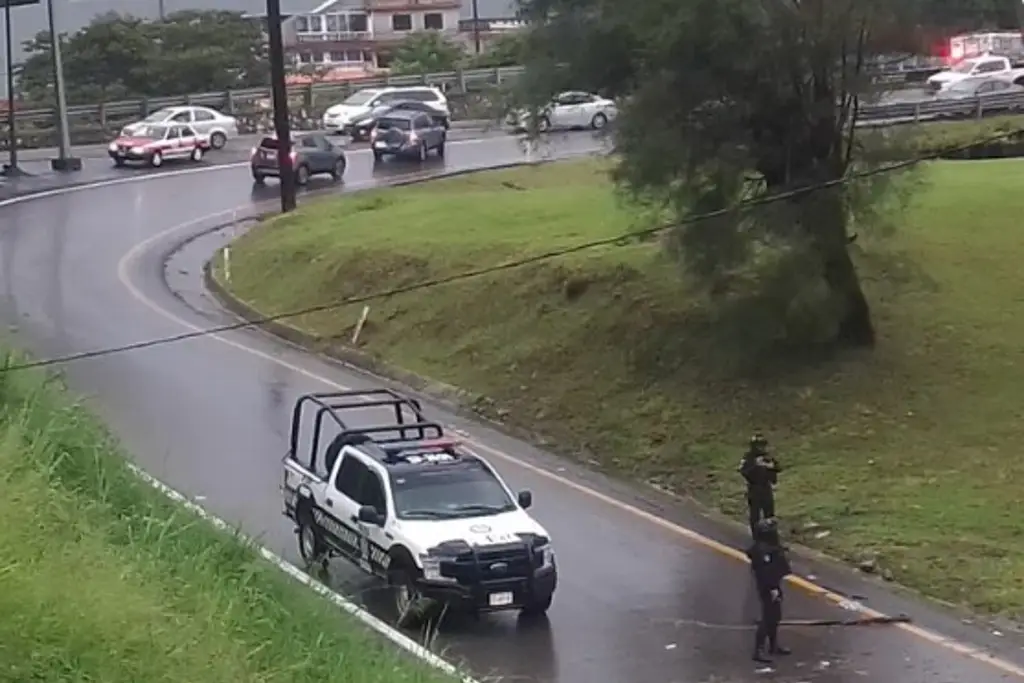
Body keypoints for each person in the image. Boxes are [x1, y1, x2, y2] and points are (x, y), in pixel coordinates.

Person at [747, 517, 792, 663]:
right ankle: (758, 650)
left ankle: (773, 646)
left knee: (775, 615)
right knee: (768, 617)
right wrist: (773, 588)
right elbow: (766, 573)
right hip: (768, 587)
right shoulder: (763, 551)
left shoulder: (767, 548)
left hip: (772, 585)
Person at [738, 433, 781, 537]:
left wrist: (770, 466)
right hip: (754, 487)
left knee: (769, 512)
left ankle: (771, 533)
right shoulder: (748, 457)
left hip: (766, 487)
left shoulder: (768, 457)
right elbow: (743, 470)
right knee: (755, 513)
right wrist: (755, 465)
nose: (762, 448)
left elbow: (778, 467)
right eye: (759, 445)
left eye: (763, 445)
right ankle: (756, 534)